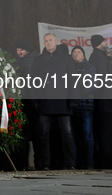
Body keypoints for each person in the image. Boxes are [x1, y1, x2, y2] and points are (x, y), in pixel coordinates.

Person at [29, 33, 77, 170]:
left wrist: (73, 99)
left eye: (51, 40)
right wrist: (34, 99)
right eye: (46, 41)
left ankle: (70, 162)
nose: (48, 42)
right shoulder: (38, 60)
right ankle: (45, 164)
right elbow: (33, 81)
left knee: (67, 133)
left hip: (63, 101)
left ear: (56, 41)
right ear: (43, 43)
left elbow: (73, 80)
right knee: (44, 134)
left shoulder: (66, 58)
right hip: (45, 101)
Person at [88, 34, 112, 169]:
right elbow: (105, 78)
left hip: (105, 97)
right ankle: (108, 160)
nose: (107, 42)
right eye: (104, 40)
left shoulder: (97, 56)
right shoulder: (98, 57)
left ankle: (108, 159)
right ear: (100, 43)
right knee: (109, 130)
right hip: (105, 98)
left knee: (108, 130)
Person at [14, 37, 38, 170]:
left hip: (31, 99)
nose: (19, 52)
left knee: (34, 132)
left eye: (21, 49)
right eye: (17, 50)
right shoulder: (17, 62)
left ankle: (36, 162)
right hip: (21, 100)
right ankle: (21, 163)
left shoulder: (33, 61)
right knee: (22, 134)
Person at [70, 46, 96, 169]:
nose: (76, 54)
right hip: (73, 107)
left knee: (87, 135)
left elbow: (92, 85)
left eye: (79, 52)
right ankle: (77, 162)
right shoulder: (69, 67)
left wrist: (77, 94)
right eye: (74, 52)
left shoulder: (90, 67)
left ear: (83, 55)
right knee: (75, 136)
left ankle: (89, 162)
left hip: (86, 105)